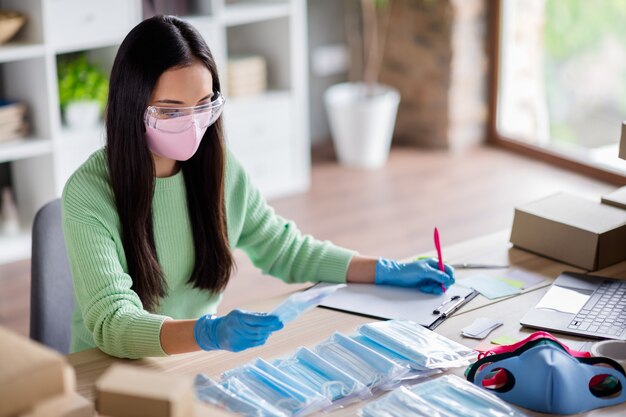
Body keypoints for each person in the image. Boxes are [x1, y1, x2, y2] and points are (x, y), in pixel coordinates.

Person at [62, 15, 455, 359]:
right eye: (171, 110)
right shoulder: (89, 192)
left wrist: (381, 270)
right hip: (111, 370)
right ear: (131, 106)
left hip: (193, 359)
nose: (194, 124)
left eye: (203, 104)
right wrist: (207, 332)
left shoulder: (218, 168)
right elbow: (112, 322)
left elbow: (283, 248)